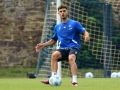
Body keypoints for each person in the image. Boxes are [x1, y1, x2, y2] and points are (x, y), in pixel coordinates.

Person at [35, 5, 90, 86]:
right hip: (62, 49)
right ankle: (53, 78)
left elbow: (84, 31)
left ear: (67, 12)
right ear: (58, 13)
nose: (62, 13)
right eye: (61, 11)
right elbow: (53, 40)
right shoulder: (57, 27)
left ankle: (74, 81)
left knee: (71, 58)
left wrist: (86, 36)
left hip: (73, 47)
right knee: (54, 55)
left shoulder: (75, 23)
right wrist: (43, 45)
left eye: (64, 11)